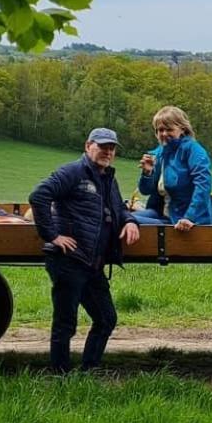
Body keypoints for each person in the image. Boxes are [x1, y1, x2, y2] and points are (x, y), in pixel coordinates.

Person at [28, 127, 141, 374]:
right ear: (88, 145)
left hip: (93, 264)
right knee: (65, 323)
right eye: (102, 147)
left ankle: (89, 370)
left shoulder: (108, 178)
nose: (107, 152)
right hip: (69, 260)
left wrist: (131, 221)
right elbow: (39, 196)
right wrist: (52, 236)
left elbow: (118, 209)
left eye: (111, 148)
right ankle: (60, 375)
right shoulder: (73, 172)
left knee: (106, 318)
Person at [134, 106, 212, 229]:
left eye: (169, 129)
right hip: (162, 214)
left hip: (186, 220)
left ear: (182, 129)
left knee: (128, 221)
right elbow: (146, 191)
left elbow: (203, 185)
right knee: (123, 217)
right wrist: (147, 173)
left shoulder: (193, 150)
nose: (164, 134)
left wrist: (189, 217)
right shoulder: (158, 154)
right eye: (160, 130)